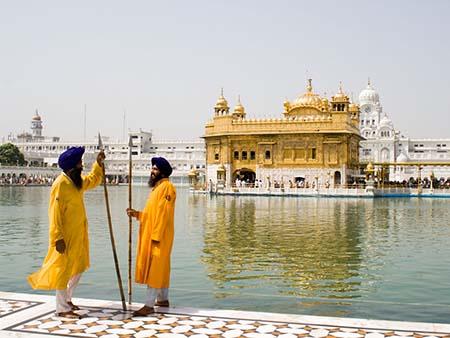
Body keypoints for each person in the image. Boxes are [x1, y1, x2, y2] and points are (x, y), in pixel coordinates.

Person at [28, 146, 105, 318]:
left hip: (78, 235)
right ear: (72, 168)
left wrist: (98, 164)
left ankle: (68, 300)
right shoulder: (60, 184)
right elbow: (54, 213)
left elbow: (92, 180)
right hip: (65, 236)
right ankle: (62, 308)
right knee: (63, 270)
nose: (82, 166)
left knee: (78, 267)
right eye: (80, 164)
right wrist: (57, 238)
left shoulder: (75, 182)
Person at [126, 156, 176, 316]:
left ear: (163, 172)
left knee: (156, 268)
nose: (152, 171)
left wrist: (156, 235)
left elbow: (163, 215)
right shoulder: (157, 188)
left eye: (155, 169)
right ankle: (162, 299)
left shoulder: (167, 188)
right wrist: (137, 214)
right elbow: (152, 214)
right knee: (161, 268)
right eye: (152, 168)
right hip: (155, 234)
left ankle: (149, 305)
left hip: (159, 236)